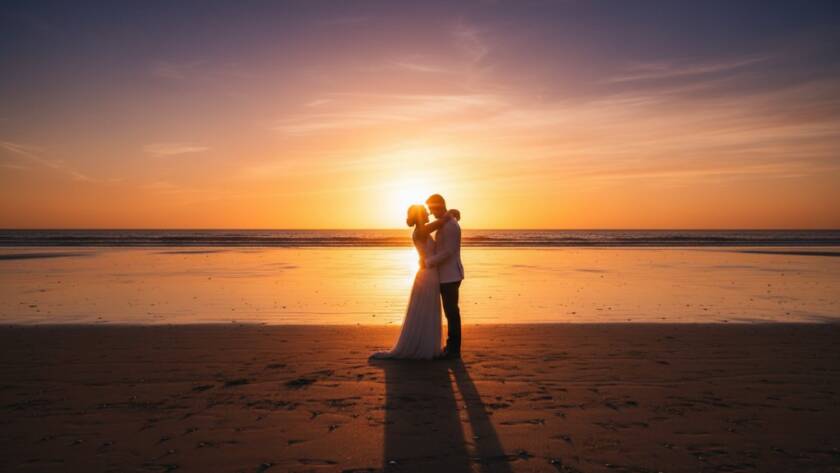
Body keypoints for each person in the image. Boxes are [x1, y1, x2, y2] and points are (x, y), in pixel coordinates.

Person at [370, 204, 458, 360]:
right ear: (419, 216)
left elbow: (441, 224)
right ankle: (423, 347)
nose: (428, 214)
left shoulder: (422, 230)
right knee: (426, 310)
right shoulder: (421, 231)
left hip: (429, 273)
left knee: (428, 310)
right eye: (425, 212)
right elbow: (442, 221)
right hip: (427, 274)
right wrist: (451, 212)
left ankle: (427, 345)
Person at [424, 194, 464, 359]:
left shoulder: (450, 226)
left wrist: (429, 262)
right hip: (445, 275)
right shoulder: (445, 222)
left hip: (451, 276)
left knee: (451, 312)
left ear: (439, 205)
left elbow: (448, 252)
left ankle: (453, 349)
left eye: (431, 208)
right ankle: (451, 347)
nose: (430, 212)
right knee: (450, 312)